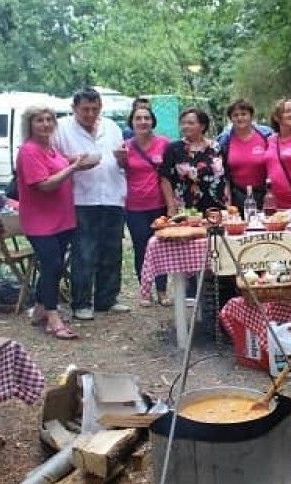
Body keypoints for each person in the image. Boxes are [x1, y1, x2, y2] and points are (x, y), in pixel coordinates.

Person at [54, 87, 131, 321]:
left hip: (112, 195)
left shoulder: (112, 126)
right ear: (74, 108)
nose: (90, 114)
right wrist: (74, 162)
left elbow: (121, 162)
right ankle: (82, 302)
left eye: (95, 109)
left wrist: (123, 160)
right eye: (85, 109)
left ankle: (107, 299)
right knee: (84, 252)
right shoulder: (61, 129)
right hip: (81, 199)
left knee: (112, 250)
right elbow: (53, 160)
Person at [17, 105, 89, 340]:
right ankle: (52, 316)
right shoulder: (28, 151)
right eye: (39, 120)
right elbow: (44, 184)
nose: (46, 124)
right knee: (52, 265)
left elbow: (60, 163)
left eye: (49, 120)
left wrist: (74, 160)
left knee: (55, 266)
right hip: (40, 220)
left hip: (62, 218)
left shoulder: (50, 148)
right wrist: (73, 168)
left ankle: (40, 307)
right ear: (30, 124)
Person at [118, 106, 171, 307]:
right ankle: (145, 291)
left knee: (161, 247)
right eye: (138, 118)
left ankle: (163, 290)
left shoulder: (164, 143)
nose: (142, 122)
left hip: (159, 204)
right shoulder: (125, 147)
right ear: (132, 122)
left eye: (147, 118)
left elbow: (169, 173)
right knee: (141, 248)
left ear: (153, 121)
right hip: (134, 206)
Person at [158, 108, 228, 214]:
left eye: (190, 123)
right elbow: (165, 178)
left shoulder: (216, 147)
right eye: (183, 123)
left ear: (202, 126)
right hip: (186, 208)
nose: (185, 126)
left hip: (216, 207)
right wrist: (171, 206)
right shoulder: (174, 148)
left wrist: (228, 204)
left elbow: (225, 178)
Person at [217, 99, 271, 215]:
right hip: (237, 194)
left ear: (251, 116)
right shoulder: (224, 140)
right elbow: (222, 173)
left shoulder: (266, 135)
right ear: (230, 118)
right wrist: (228, 199)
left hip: (264, 193)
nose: (240, 118)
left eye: (243, 114)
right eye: (235, 115)